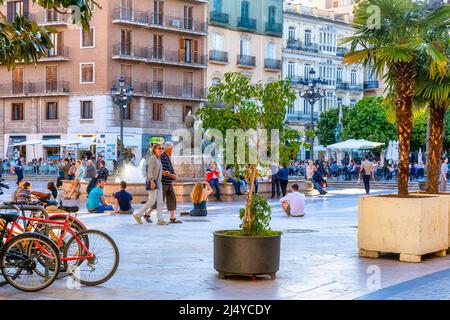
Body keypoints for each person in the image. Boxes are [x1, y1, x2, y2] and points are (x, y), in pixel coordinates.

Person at [144, 142, 182, 224]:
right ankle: (147, 214)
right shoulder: (161, 156)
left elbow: (169, 170)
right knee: (158, 201)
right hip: (162, 182)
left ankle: (172, 218)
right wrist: (169, 174)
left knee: (172, 199)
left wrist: (172, 174)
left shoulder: (167, 157)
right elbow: (159, 169)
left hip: (169, 182)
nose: (172, 150)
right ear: (169, 148)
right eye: (172, 148)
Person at [133, 143, 168, 225]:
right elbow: (149, 171)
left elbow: (157, 170)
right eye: (159, 148)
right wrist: (151, 181)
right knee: (152, 201)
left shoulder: (158, 159)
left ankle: (160, 218)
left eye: (162, 148)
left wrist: (164, 172)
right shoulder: (152, 158)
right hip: (153, 182)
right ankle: (138, 214)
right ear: (154, 150)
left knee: (160, 201)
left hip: (159, 183)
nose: (161, 149)